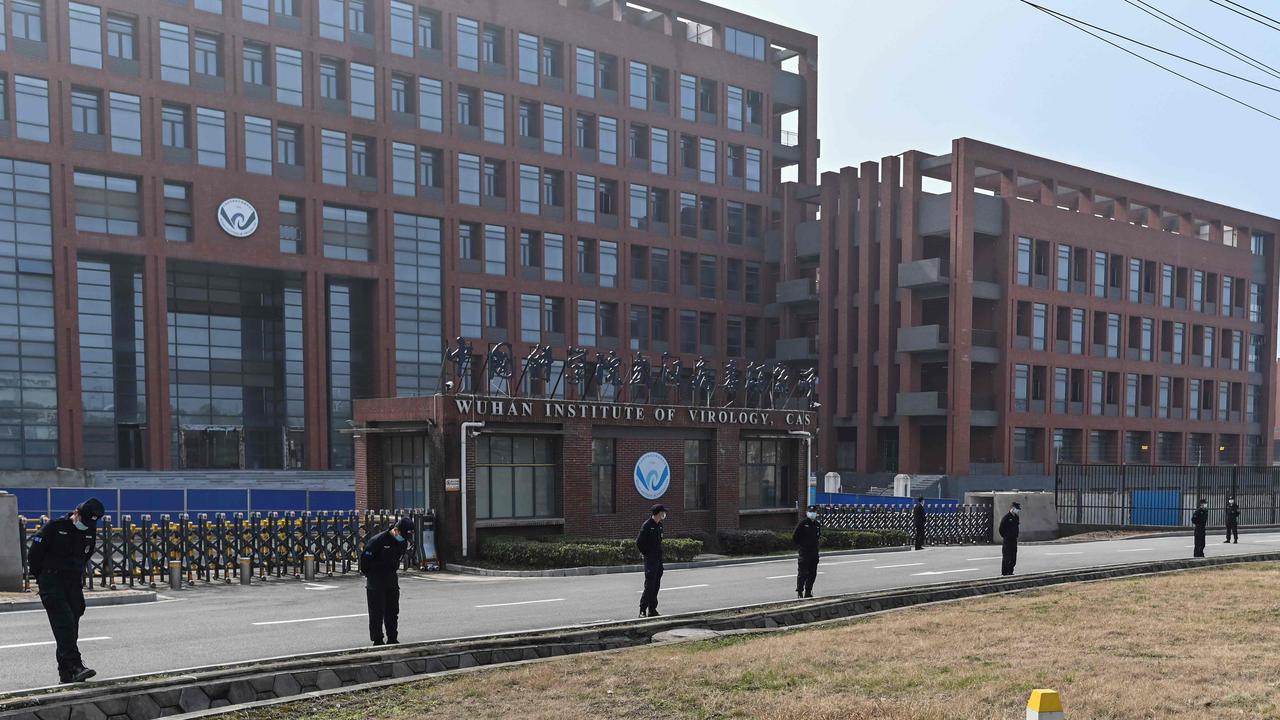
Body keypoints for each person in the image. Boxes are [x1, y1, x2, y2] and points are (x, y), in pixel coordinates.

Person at [27, 497, 105, 684]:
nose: (86, 526)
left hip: (72, 583)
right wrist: (43, 579)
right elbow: (34, 555)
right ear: (76, 513)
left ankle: (66, 673)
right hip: (52, 581)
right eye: (84, 521)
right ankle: (76, 666)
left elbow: (85, 556)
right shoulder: (54, 527)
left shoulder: (89, 530)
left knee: (71, 626)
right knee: (64, 624)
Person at [359, 517, 413, 646]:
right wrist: (372, 575)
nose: (404, 538)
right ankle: (377, 640)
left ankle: (392, 638)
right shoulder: (377, 541)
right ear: (396, 530)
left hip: (391, 580)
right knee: (376, 613)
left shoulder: (402, 542)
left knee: (392, 612)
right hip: (375, 581)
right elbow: (365, 562)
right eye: (403, 535)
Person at [636, 504, 666, 617]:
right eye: (663, 512)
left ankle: (652, 609)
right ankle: (642, 610)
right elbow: (639, 542)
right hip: (650, 560)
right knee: (649, 585)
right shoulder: (647, 525)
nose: (664, 514)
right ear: (658, 513)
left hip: (658, 560)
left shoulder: (660, 525)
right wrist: (647, 554)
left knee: (656, 585)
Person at [793, 504, 821, 598]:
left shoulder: (817, 525)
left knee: (812, 573)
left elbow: (818, 537)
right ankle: (800, 591)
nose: (812, 513)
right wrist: (802, 545)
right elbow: (795, 537)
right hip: (804, 553)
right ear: (807, 512)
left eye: (814, 512)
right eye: (810, 512)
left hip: (814, 553)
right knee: (803, 573)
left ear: (816, 513)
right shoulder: (803, 523)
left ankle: (808, 591)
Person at [999, 502, 1021, 576]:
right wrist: (1006, 536)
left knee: (1013, 557)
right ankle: (1005, 573)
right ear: (1013, 508)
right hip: (1007, 540)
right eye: (1017, 509)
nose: (1018, 511)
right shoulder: (1006, 518)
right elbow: (1001, 529)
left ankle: (1010, 572)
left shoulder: (1016, 517)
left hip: (1014, 540)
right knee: (1006, 557)